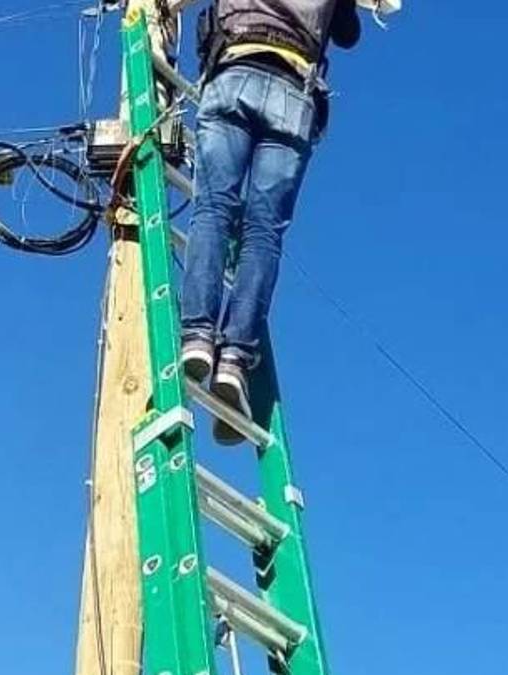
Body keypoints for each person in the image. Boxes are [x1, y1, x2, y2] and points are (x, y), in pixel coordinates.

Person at [180, 0, 361, 444]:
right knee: (263, 234)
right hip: (293, 91)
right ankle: (235, 358)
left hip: (235, 68)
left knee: (213, 208)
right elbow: (347, 34)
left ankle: (197, 336)